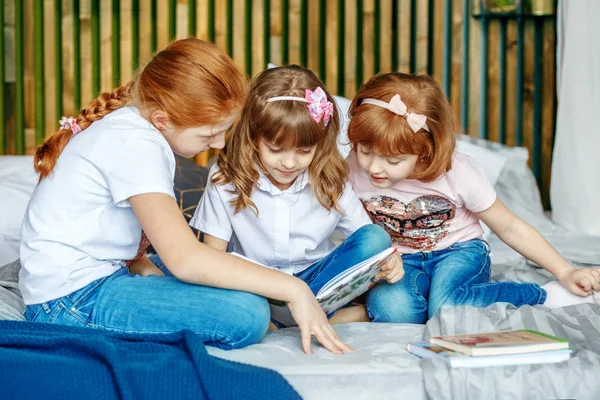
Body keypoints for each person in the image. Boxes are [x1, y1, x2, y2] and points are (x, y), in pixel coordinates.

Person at [19, 38, 350, 355]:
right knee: (247, 313)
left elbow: (132, 251)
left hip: (94, 279)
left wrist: (158, 278)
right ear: (163, 120)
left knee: (233, 274)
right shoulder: (136, 145)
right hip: (71, 301)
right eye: (209, 133)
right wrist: (294, 289)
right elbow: (185, 259)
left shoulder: (135, 129)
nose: (220, 144)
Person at [345, 72, 600, 323]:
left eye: (393, 160)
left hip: (459, 252)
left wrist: (566, 271)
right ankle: (429, 299)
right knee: (393, 310)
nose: (374, 168)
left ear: (425, 150)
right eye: (365, 151)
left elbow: (511, 228)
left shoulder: (459, 172)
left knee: (446, 308)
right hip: (402, 260)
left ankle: (541, 294)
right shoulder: (354, 168)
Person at [191, 65, 403, 326]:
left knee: (376, 238)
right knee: (236, 297)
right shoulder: (225, 179)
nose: (289, 163)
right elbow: (214, 260)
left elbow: (368, 240)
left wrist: (391, 260)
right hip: (257, 286)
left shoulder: (332, 179)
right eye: (276, 149)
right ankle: (307, 317)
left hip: (318, 285)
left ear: (320, 142)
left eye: (304, 151)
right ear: (254, 137)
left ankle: (289, 319)